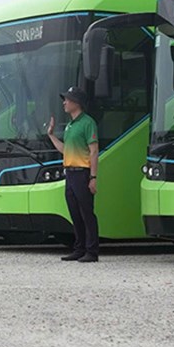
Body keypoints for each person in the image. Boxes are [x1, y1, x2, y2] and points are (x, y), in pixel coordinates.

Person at [47, 86, 100, 263]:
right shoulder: (70, 126)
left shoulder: (87, 123)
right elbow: (65, 150)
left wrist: (93, 177)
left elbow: (93, 151)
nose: (64, 102)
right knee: (74, 212)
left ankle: (92, 251)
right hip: (69, 173)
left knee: (87, 212)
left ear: (77, 103)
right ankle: (79, 248)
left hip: (82, 173)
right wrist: (52, 136)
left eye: (67, 100)